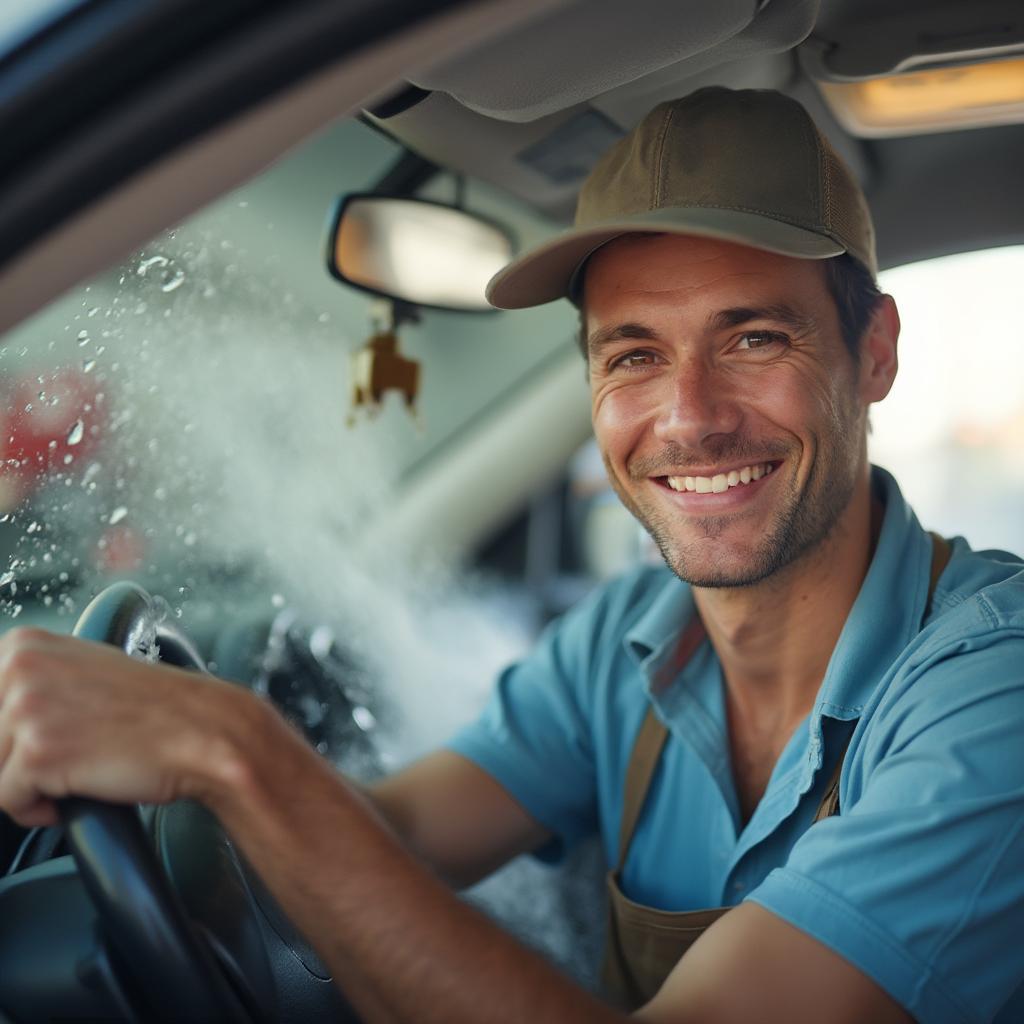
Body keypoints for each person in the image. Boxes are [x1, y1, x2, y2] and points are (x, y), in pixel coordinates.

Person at [1, 87, 1022, 1024]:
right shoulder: (619, 644)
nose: (690, 417)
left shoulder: (992, 693)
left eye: (753, 338)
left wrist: (236, 751)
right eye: (633, 355)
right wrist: (175, 751)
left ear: (875, 353)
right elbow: (395, 833)